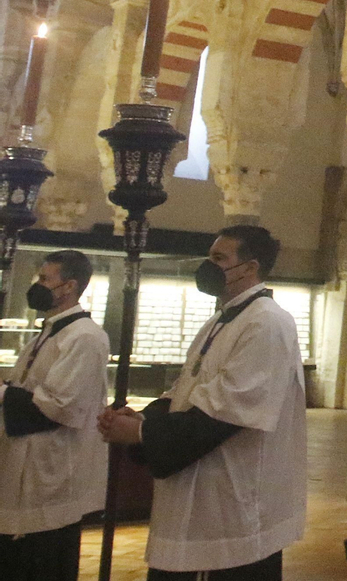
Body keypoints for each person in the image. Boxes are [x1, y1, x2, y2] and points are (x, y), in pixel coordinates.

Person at [99, 224, 306, 580]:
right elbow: (187, 388)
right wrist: (141, 418)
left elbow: (227, 410)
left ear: (250, 267)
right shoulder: (221, 320)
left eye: (219, 258)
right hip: (196, 491)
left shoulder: (267, 323)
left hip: (228, 499)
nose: (208, 266)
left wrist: (143, 434)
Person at [0, 250, 109, 580]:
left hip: (52, 471)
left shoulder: (85, 337)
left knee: (44, 562)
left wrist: (4, 392)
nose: (38, 285)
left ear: (69, 286)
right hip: (21, 466)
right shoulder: (48, 333)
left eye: (46, 279)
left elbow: (60, 406)